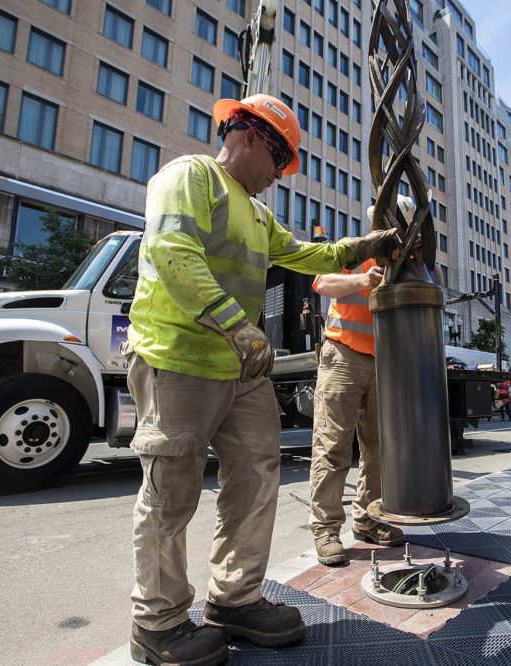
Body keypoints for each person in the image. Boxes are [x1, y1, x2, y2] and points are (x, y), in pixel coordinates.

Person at [125, 94, 399, 665]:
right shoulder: (189, 177)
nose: (280, 175)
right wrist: (238, 327)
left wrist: (360, 247)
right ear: (248, 136)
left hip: (238, 368)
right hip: (179, 358)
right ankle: (158, 622)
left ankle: (235, 598)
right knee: (170, 493)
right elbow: (173, 251)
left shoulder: (256, 212)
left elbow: (303, 254)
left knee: (255, 477)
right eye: (280, 160)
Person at [308, 256, 405, 566]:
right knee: (332, 448)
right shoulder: (356, 255)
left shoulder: (403, 267)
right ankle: (325, 530)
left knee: (377, 449)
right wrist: (362, 280)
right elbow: (322, 283)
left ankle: (368, 520)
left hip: (383, 362)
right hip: (343, 355)